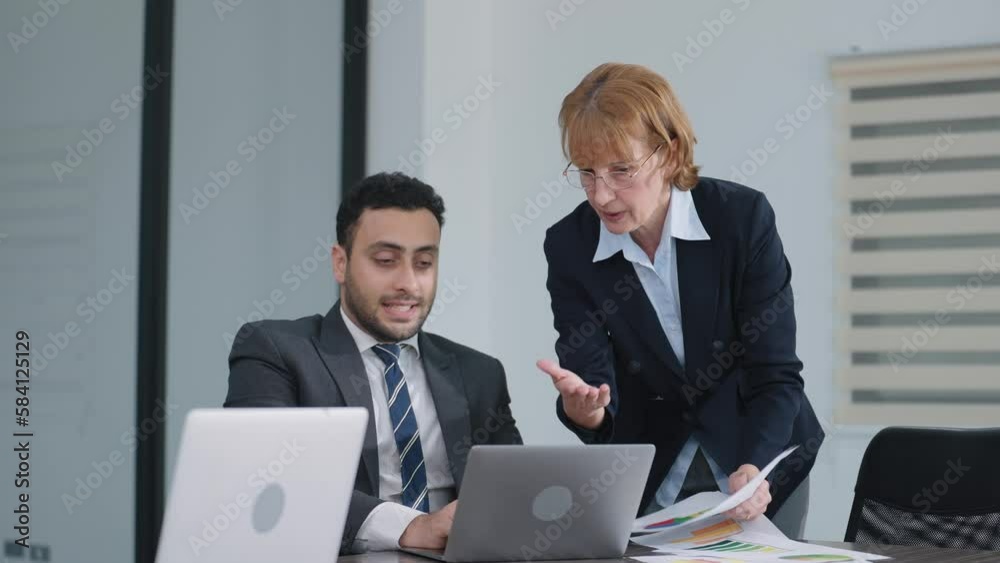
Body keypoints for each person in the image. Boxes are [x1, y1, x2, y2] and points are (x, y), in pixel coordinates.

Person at [537, 63, 823, 538]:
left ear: (669, 154)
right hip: (653, 466)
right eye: (587, 173)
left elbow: (774, 371)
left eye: (621, 170)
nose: (601, 195)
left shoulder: (741, 219)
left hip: (755, 456)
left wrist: (756, 466)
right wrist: (585, 410)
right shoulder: (569, 245)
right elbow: (590, 381)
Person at [225, 172, 522, 553]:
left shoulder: (480, 373)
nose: (409, 284)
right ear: (340, 263)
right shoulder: (277, 351)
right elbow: (267, 479)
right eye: (386, 260)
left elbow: (512, 493)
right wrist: (410, 528)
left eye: (424, 262)